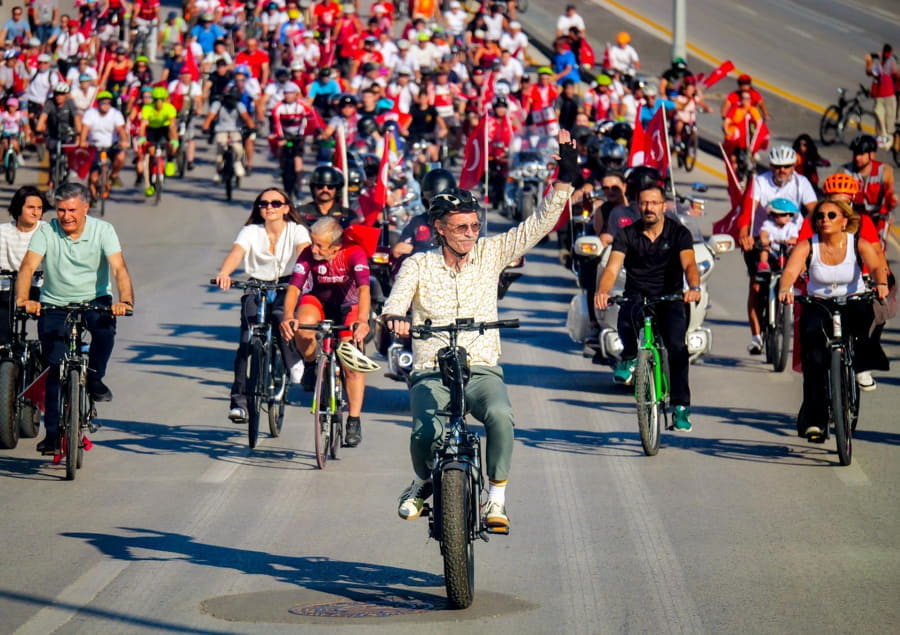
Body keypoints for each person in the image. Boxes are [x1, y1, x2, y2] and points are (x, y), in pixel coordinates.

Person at [381, 129, 578, 530]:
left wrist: (566, 177)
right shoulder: (418, 264)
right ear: (439, 228)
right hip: (431, 369)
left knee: (502, 415)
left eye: (474, 226)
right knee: (424, 433)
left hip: (482, 366)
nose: (471, 234)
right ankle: (421, 483)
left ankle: (496, 499)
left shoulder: (490, 254)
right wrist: (395, 317)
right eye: (461, 228)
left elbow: (538, 224)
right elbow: (395, 301)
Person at [16, 183, 134, 454]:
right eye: (60, 210)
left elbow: (118, 268)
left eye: (71, 210)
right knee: (55, 369)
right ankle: (53, 434)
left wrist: (125, 301)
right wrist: (25, 300)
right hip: (54, 304)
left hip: (95, 301)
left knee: (104, 331)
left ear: (85, 208)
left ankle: (94, 377)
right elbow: (28, 267)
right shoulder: (46, 230)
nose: (66, 216)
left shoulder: (103, 230)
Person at [777, 199, 889, 441]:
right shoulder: (808, 246)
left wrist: (880, 283)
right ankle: (816, 422)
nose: (824, 220)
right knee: (814, 360)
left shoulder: (857, 243)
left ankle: (859, 368)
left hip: (853, 300)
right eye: (820, 216)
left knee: (865, 325)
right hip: (819, 303)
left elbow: (878, 266)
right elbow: (790, 272)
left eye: (831, 215)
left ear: (845, 221)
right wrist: (785, 288)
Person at [595, 183, 701, 431]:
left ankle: (681, 407)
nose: (649, 208)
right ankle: (630, 358)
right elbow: (612, 268)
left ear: (664, 206)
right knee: (624, 317)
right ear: (637, 205)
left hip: (671, 297)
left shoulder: (678, 233)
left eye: (654, 203)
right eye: (644, 203)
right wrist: (602, 291)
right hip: (638, 295)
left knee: (677, 348)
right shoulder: (627, 234)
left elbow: (690, 265)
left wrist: (693, 287)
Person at [215, 188, 311, 422]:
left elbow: (303, 253)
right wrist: (225, 273)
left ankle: (292, 361)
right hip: (256, 285)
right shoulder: (250, 231)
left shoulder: (297, 230)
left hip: (288, 283)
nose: (269, 207)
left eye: (276, 203)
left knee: (281, 315)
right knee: (247, 341)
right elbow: (237, 253)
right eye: (264, 203)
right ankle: (239, 403)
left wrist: (303, 277)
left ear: (286, 208)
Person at [279, 217, 371, 447]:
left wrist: (362, 320)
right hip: (317, 301)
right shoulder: (309, 255)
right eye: (313, 242)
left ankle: (354, 419)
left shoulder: (354, 253)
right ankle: (311, 364)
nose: (314, 248)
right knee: (303, 324)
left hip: (348, 307)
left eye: (320, 245)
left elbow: (364, 289)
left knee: (351, 364)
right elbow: (294, 287)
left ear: (336, 246)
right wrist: (288, 316)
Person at [738, 145, 817, 354]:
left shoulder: (803, 183)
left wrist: (806, 238)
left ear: (794, 166)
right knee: (756, 287)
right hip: (763, 240)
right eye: (778, 167)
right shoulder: (759, 182)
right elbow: (747, 211)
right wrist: (745, 235)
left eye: (787, 167)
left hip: (793, 241)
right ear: (771, 166)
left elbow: (815, 212)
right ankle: (756, 337)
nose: (782, 171)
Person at [0, 187, 47, 344]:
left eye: (39, 208)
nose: (36, 213)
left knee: (52, 322)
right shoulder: (3, 232)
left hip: (37, 287)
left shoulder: (48, 231)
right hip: (6, 287)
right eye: (30, 207)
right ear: (18, 208)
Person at [842, 134, 897, 245]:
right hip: (855, 215)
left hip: (877, 216)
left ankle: (881, 253)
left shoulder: (884, 170)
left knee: (879, 245)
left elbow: (889, 195)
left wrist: (891, 200)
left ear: (872, 154)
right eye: (855, 153)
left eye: (861, 154)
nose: (857, 157)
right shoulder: (845, 171)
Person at [78, 90, 128, 202]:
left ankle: (113, 175)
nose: (106, 105)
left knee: (121, 157)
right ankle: (93, 197)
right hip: (95, 146)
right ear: (98, 103)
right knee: (93, 176)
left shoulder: (116, 114)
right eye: (103, 103)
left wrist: (124, 140)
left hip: (111, 145)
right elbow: (85, 129)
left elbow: (121, 130)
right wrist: (83, 141)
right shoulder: (90, 113)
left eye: (108, 103)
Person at [757, 198, 800, 274]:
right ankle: (764, 264)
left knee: (793, 251)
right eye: (784, 214)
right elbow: (764, 232)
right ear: (774, 215)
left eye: (790, 215)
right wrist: (764, 238)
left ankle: (795, 266)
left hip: (786, 249)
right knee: (764, 249)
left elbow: (794, 238)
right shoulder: (768, 224)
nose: (788, 217)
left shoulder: (792, 226)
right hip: (772, 250)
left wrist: (790, 241)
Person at [865, 45, 896, 148]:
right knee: (887, 122)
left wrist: (869, 61)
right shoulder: (890, 61)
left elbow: (869, 72)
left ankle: (886, 143)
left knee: (882, 123)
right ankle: (886, 142)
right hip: (887, 95)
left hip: (884, 96)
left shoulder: (881, 66)